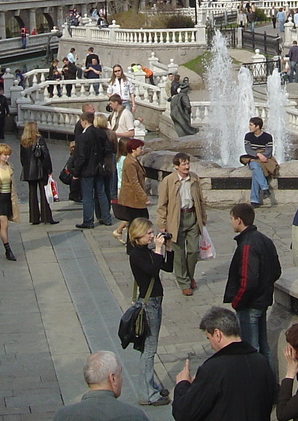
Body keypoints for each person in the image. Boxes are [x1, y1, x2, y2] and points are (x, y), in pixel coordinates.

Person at [171, 307, 278, 421]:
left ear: (217, 334)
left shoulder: (213, 369)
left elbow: (184, 413)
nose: (211, 345)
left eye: (209, 338)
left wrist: (183, 385)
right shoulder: (261, 361)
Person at [126, 219, 175, 408]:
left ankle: (151, 384)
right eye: (148, 233)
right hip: (149, 305)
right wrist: (157, 248)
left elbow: (167, 267)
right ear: (138, 234)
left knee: (150, 348)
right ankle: (147, 394)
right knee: (149, 349)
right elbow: (153, 270)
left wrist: (167, 248)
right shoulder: (136, 255)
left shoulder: (145, 251)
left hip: (155, 302)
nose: (152, 236)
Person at [224, 203, 282, 361]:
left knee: (251, 349)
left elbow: (248, 280)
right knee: (264, 348)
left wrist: (237, 301)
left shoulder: (247, 245)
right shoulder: (265, 240)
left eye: (231, 218)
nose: (230, 222)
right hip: (262, 301)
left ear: (239, 220)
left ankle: (258, 383)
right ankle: (269, 382)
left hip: (250, 304)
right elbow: (276, 270)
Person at [157, 152, 207, 296]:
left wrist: (203, 217)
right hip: (176, 219)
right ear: (176, 166)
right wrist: (162, 223)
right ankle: (184, 282)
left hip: (192, 216)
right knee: (178, 253)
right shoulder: (168, 181)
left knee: (193, 250)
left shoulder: (194, 178)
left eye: (188, 163)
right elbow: (162, 204)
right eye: (183, 164)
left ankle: (190, 276)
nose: (187, 166)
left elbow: (201, 199)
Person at [55, 351, 149, 420]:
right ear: (113, 379)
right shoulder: (135, 416)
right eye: (120, 373)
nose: (122, 379)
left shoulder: (64, 416)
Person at [74, 109, 114, 229]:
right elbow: (108, 149)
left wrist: (76, 172)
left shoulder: (83, 137)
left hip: (87, 170)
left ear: (84, 122)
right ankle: (106, 218)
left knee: (87, 196)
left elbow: (81, 157)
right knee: (101, 193)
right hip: (99, 168)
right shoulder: (101, 133)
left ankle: (88, 221)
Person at [19, 121, 59, 226]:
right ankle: (46, 217)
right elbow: (46, 156)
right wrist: (49, 170)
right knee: (44, 192)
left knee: (32, 194)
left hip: (29, 171)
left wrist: (26, 168)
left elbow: (22, 158)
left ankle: (34, 217)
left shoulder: (23, 141)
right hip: (40, 170)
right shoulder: (39, 139)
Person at [113, 138, 148, 242]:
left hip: (134, 198)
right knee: (138, 221)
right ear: (133, 149)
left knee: (135, 222)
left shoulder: (133, 160)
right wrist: (144, 197)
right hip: (132, 198)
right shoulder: (129, 162)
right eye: (140, 148)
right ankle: (133, 243)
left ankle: (134, 243)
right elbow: (134, 182)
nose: (142, 150)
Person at [242, 116, 276, 206]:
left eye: (251, 125)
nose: (249, 127)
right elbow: (248, 150)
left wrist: (262, 156)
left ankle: (255, 200)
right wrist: (258, 155)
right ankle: (264, 188)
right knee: (255, 165)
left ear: (257, 127)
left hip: (265, 159)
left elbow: (269, 151)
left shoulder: (267, 137)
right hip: (253, 157)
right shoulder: (248, 136)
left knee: (255, 172)